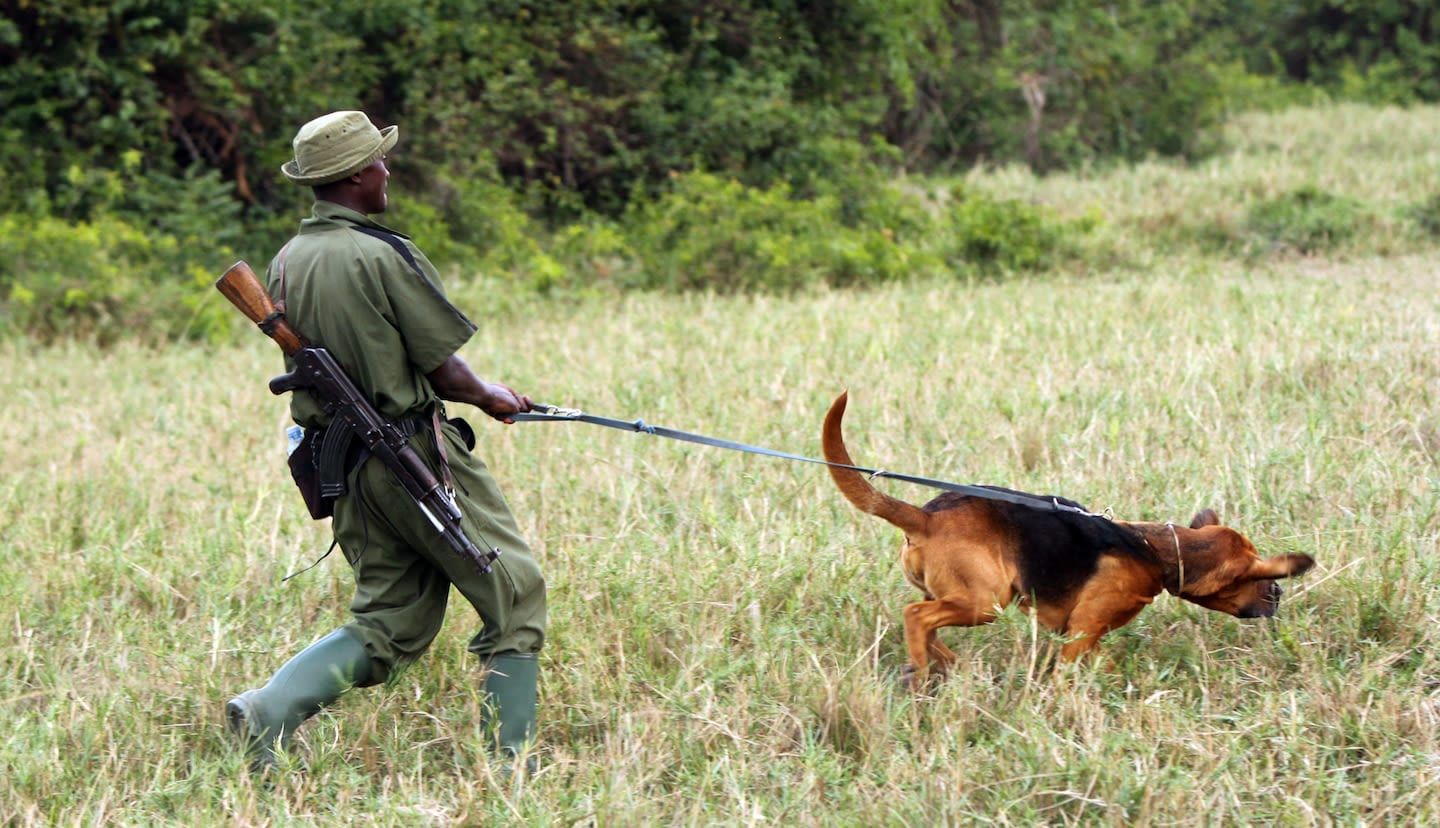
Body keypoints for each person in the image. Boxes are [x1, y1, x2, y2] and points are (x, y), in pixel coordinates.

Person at [226, 110, 547, 774]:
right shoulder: (381, 253)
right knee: (515, 593)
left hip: (345, 468)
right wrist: (492, 395)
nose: (387, 169)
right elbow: (442, 368)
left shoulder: (289, 259)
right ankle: (509, 771)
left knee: (390, 622)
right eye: (377, 161)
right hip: (413, 455)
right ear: (353, 177)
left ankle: (266, 711)